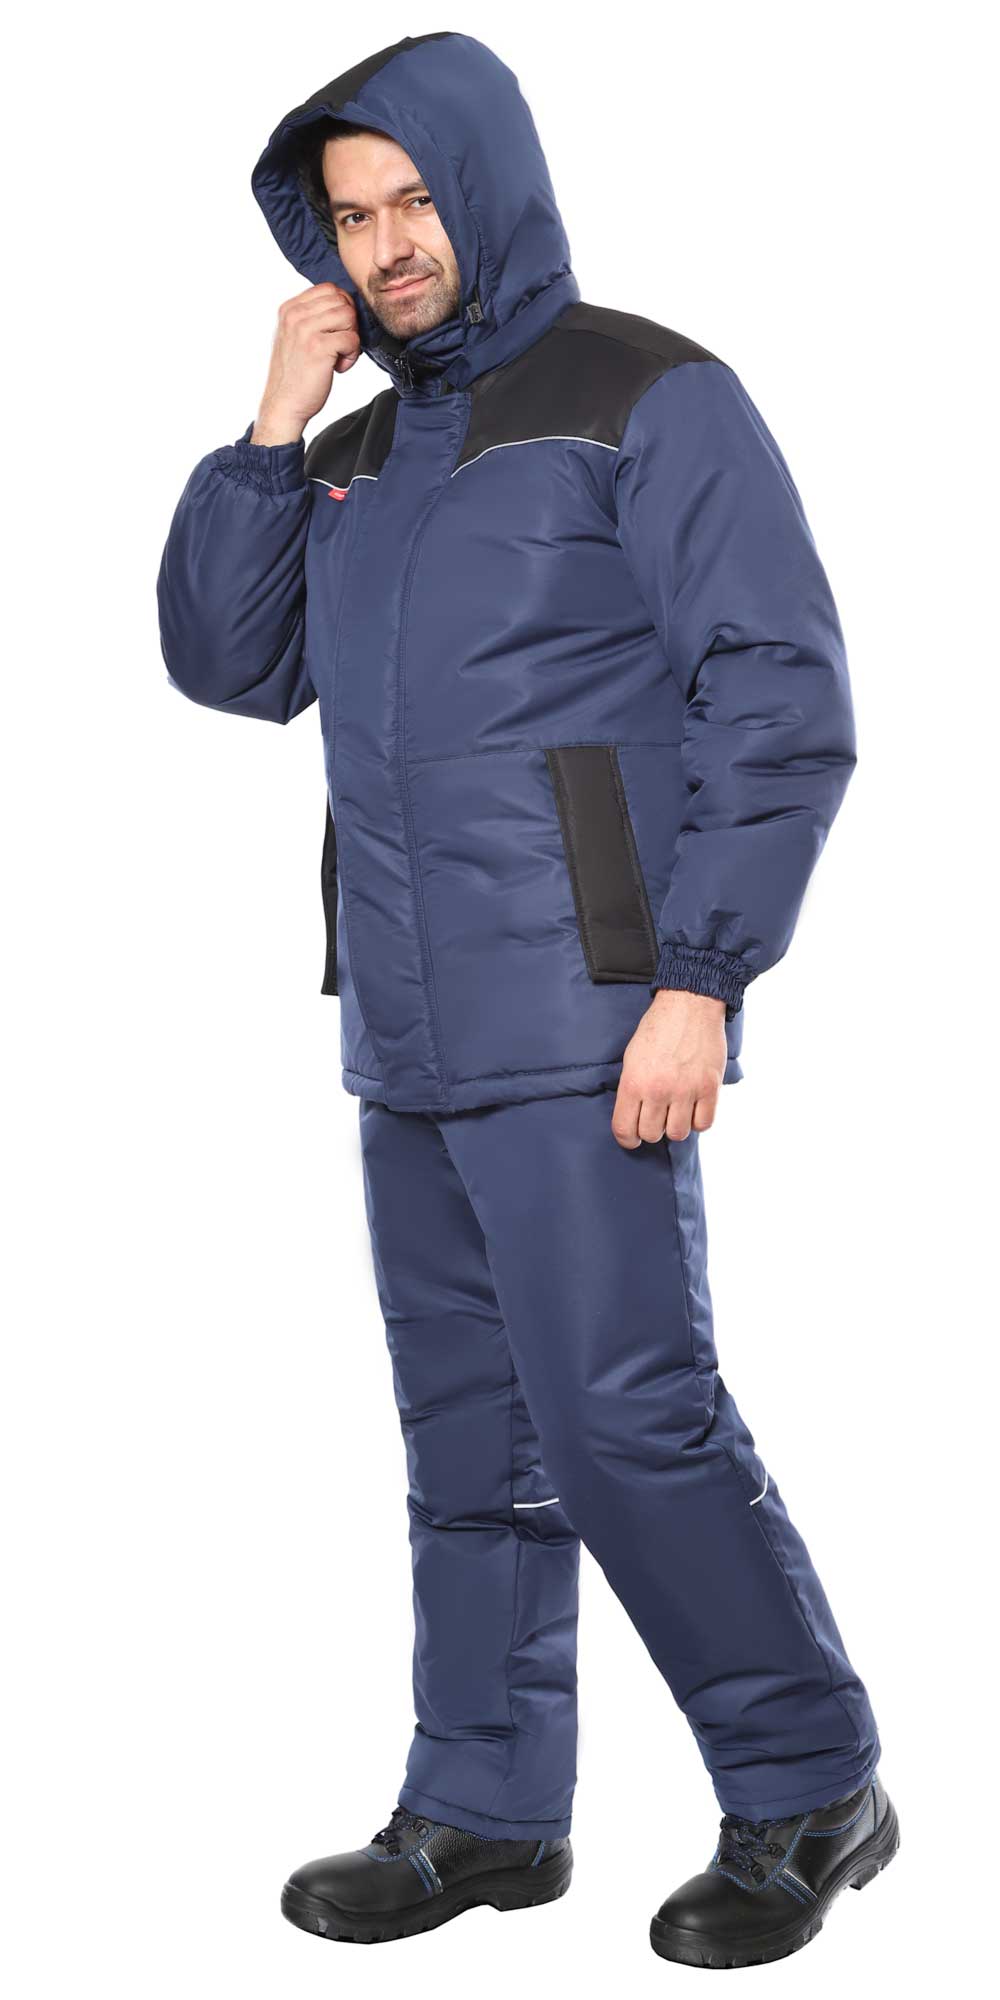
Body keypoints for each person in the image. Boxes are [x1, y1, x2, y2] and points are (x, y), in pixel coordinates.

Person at [157, 29, 898, 1969]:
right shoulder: (346, 464)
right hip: (404, 1031)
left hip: (591, 1021)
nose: (389, 245)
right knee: (465, 1439)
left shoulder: (647, 397)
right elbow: (226, 664)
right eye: (352, 218)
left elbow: (781, 694)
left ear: (482, 186)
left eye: (414, 201)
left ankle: (809, 1777)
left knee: (624, 1419)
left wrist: (699, 978)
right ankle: (485, 1805)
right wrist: (271, 425)